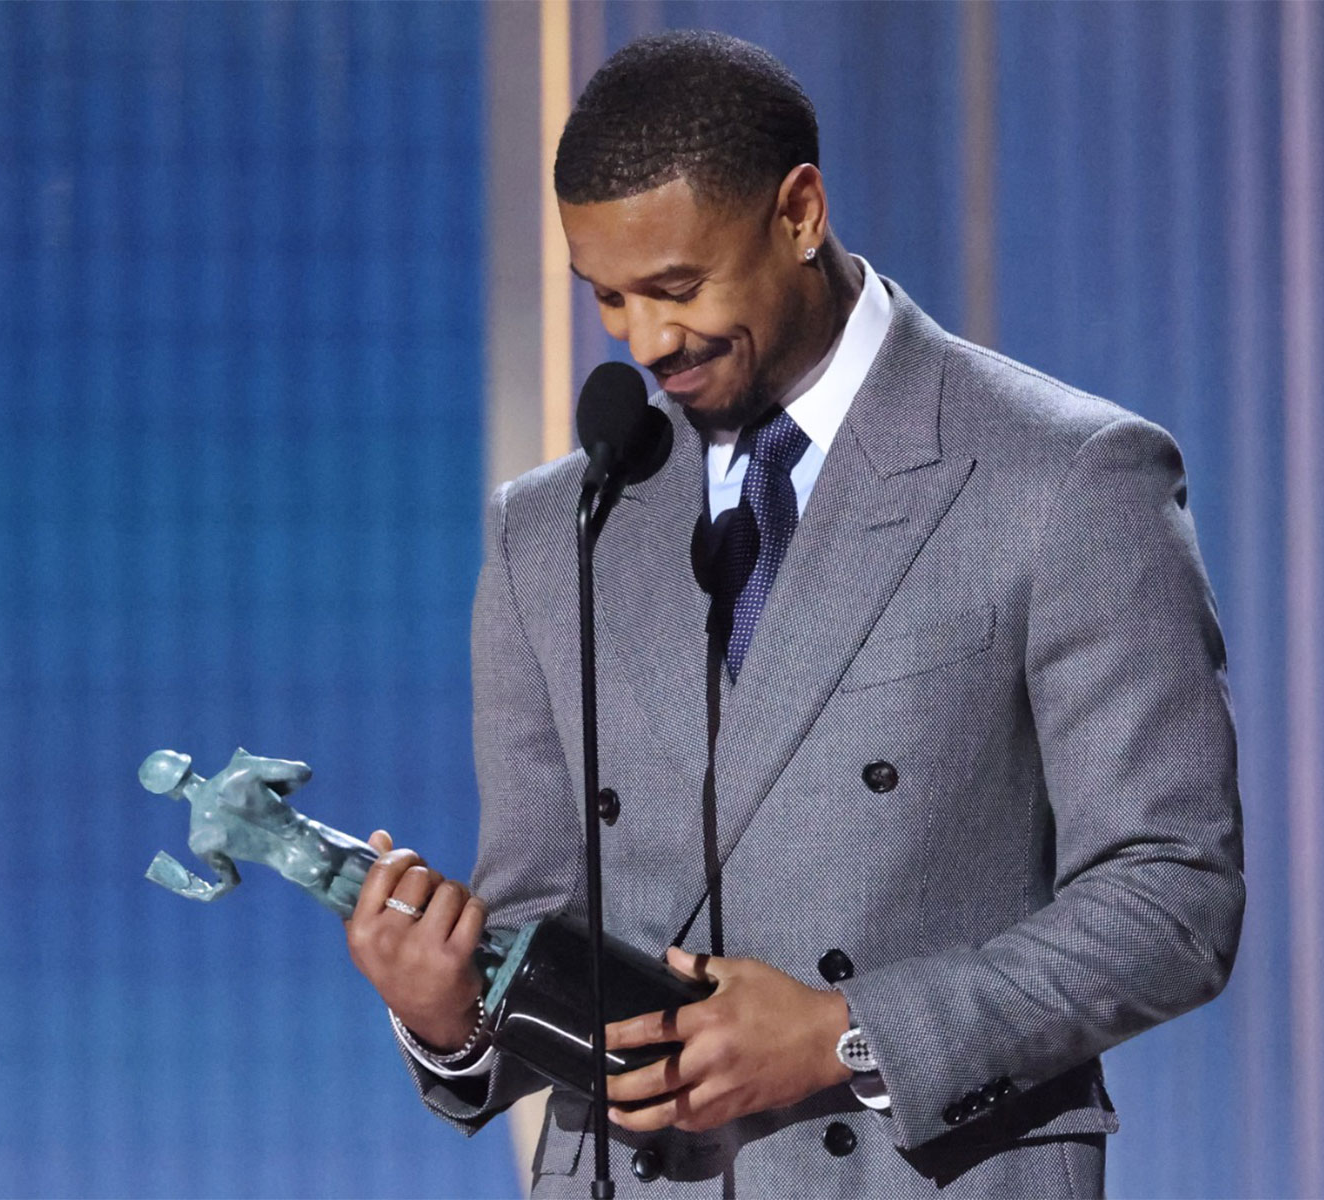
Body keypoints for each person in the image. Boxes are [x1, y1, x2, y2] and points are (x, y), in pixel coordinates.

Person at [344, 30, 1243, 1198]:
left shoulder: (1063, 478)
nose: (643, 341)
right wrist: (450, 1016)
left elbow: (1173, 895)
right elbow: (540, 919)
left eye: (677, 288)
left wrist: (842, 1034)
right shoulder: (552, 529)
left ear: (799, 212)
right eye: (607, 297)